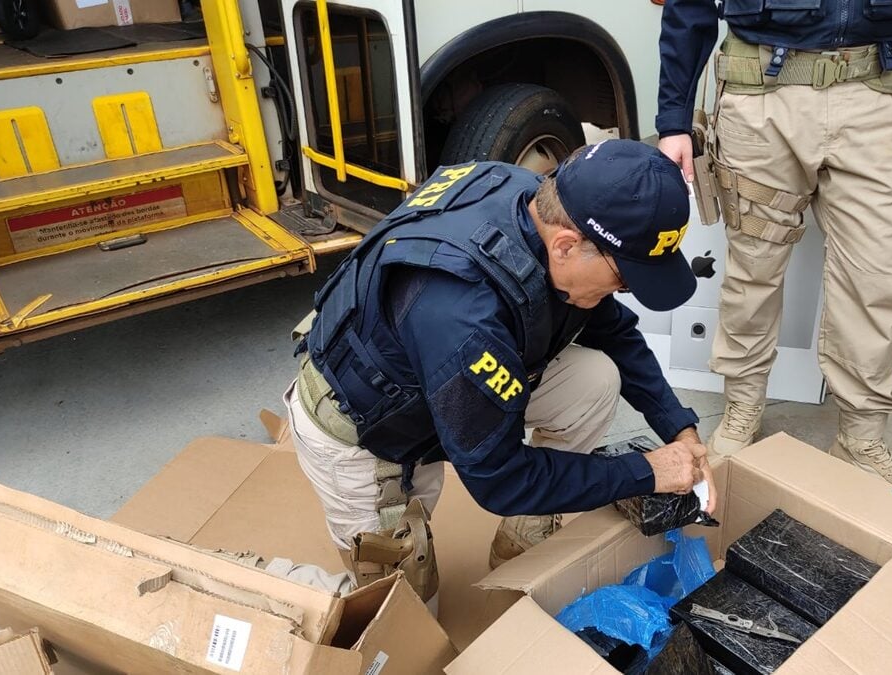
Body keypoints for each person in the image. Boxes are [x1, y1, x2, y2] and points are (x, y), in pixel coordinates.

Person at [285, 139, 718, 603]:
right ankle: (248, 588)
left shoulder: (545, 205)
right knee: (403, 611)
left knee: (596, 377)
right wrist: (646, 471)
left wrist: (681, 430)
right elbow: (501, 481)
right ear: (568, 246)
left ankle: (523, 539)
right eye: (625, 278)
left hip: (438, 387)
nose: (626, 291)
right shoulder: (463, 316)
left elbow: (615, 332)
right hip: (367, 433)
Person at [656, 0, 892, 497]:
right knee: (753, 271)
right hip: (760, 93)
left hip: (875, 96)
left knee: (880, 277)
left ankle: (861, 439)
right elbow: (689, 4)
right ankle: (743, 410)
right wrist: (674, 117)